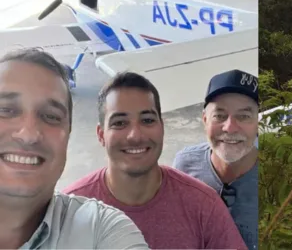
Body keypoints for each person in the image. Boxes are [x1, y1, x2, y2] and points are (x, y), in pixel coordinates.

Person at [63, 72, 247, 250]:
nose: (135, 135)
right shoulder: (69, 214)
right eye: (119, 123)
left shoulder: (203, 206)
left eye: (147, 120)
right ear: (101, 135)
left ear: (162, 128)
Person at [0, 48, 149, 249]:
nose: (29, 134)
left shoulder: (100, 230)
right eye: (6, 110)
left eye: (51, 116)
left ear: (68, 136)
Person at [173, 69, 259, 250]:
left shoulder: (280, 173)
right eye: (219, 116)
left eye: (244, 116)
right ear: (205, 120)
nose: (230, 127)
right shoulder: (185, 165)